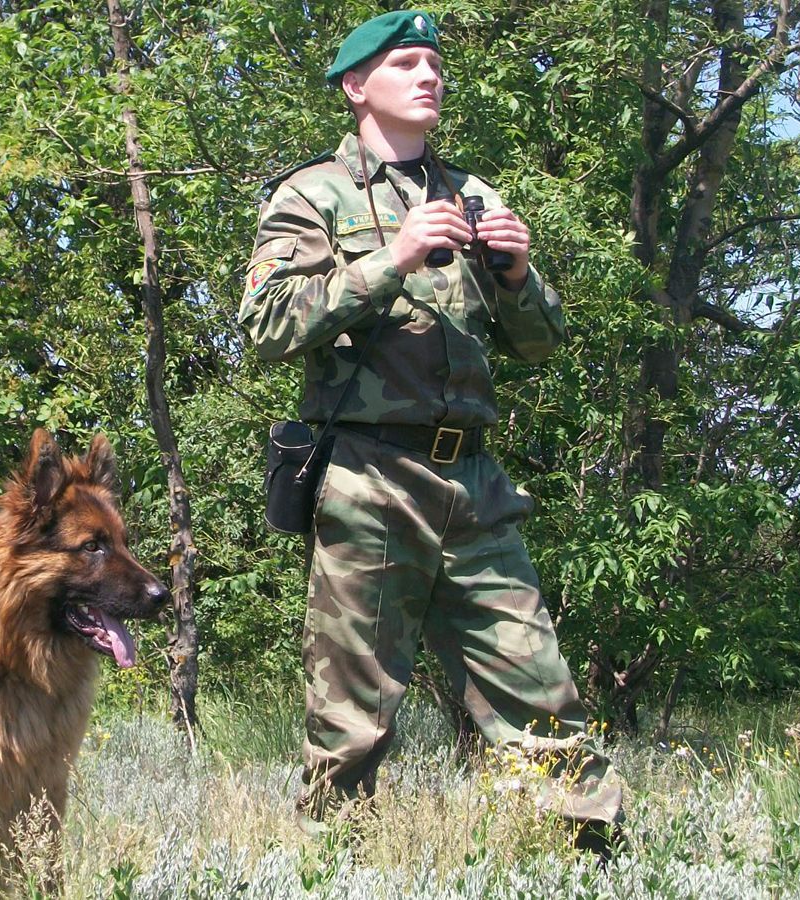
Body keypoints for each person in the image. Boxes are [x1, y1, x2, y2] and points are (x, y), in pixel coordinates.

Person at [237, 10, 625, 853]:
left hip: (475, 484)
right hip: (370, 479)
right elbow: (266, 326)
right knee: (354, 712)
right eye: (406, 62)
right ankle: (332, 867)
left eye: (435, 64)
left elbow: (540, 344)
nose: (428, 76)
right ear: (356, 87)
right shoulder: (313, 194)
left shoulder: (477, 195)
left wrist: (518, 275)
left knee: (539, 685)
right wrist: (392, 258)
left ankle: (593, 861)